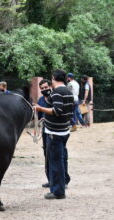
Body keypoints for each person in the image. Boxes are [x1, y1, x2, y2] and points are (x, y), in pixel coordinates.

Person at [35, 69, 74, 199]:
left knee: (55, 161)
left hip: (54, 132)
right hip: (64, 130)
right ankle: (59, 186)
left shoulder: (57, 92)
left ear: (53, 78)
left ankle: (58, 191)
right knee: (60, 159)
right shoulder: (68, 92)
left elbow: (57, 111)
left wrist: (40, 109)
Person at [37, 79, 52, 188]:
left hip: (55, 130)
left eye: (46, 87)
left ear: (50, 86)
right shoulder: (40, 100)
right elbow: (38, 116)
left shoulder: (55, 98)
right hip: (45, 130)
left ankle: (62, 180)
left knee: (56, 154)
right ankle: (50, 179)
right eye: (42, 89)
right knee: (46, 154)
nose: (44, 90)